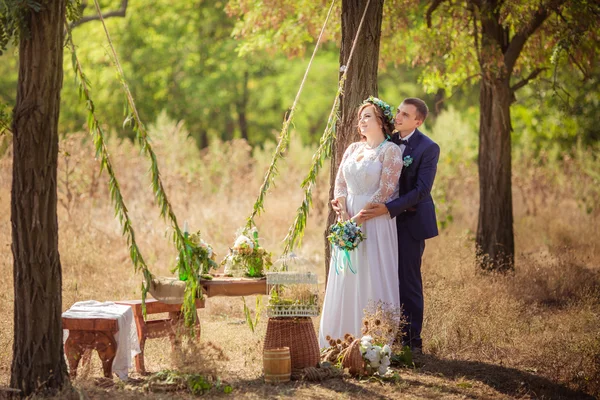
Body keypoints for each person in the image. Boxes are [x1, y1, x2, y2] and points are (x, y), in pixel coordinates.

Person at [319, 97, 403, 348]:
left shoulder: (391, 151)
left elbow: (386, 191)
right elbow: (340, 183)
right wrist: (342, 211)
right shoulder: (353, 149)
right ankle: (339, 338)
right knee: (347, 275)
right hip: (347, 219)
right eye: (360, 117)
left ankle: (374, 340)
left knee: (372, 273)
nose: (362, 121)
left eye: (367, 116)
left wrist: (358, 218)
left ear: (381, 121)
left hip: (375, 221)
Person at [358, 97, 440, 352]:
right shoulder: (387, 141)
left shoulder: (428, 148)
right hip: (381, 223)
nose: (399, 117)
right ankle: (383, 333)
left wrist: (388, 208)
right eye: (399, 112)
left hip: (409, 221)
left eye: (406, 115)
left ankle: (412, 341)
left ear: (418, 120)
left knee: (408, 279)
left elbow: (422, 190)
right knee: (383, 276)